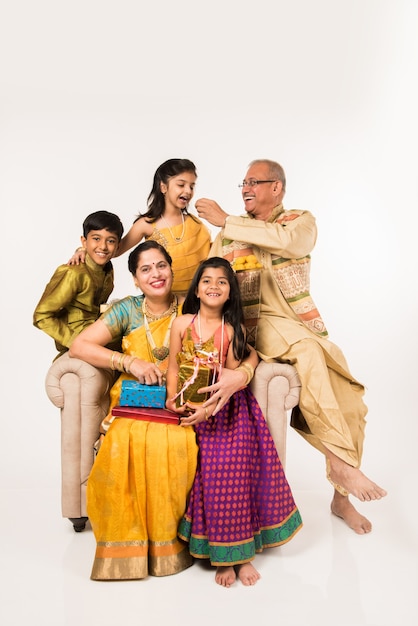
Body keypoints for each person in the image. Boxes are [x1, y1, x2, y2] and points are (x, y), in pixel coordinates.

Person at [195, 159, 387, 535]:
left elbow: (289, 242)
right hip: (251, 325)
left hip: (296, 324)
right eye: (243, 182)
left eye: (254, 181)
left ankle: (340, 498)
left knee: (349, 398)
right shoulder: (229, 233)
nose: (245, 188)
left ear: (276, 187)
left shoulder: (299, 220)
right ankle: (340, 461)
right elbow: (210, 279)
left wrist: (226, 219)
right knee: (310, 353)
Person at [69, 241, 258, 581]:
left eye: (161, 266)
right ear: (135, 278)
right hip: (136, 401)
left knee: (174, 445)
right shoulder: (127, 310)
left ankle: (173, 545)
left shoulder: (191, 305)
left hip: (185, 401)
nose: (155, 274)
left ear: (172, 269)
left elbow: (244, 346)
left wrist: (242, 374)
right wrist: (129, 361)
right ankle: (129, 549)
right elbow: (79, 345)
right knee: (129, 444)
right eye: (145, 269)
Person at [165, 257, 303, 587]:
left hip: (224, 411)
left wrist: (207, 411)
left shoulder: (230, 331)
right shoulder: (181, 324)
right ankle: (220, 554)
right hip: (188, 406)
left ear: (230, 294)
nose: (214, 286)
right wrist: (173, 400)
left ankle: (240, 558)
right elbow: (172, 366)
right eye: (207, 280)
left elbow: (228, 383)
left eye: (222, 282)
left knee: (228, 466)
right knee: (208, 471)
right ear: (196, 289)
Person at [68, 158, 211, 296]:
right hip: (163, 300)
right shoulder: (146, 224)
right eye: (181, 185)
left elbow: (211, 257)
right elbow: (115, 250)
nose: (188, 191)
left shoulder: (195, 223)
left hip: (197, 299)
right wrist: (83, 250)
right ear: (163, 187)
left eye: (192, 186)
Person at [33, 210, 124, 357]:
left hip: (98, 333)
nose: (103, 246)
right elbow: (41, 315)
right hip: (81, 339)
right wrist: (76, 342)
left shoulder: (107, 269)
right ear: (84, 241)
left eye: (111, 241)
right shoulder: (73, 273)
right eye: (96, 238)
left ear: (118, 246)